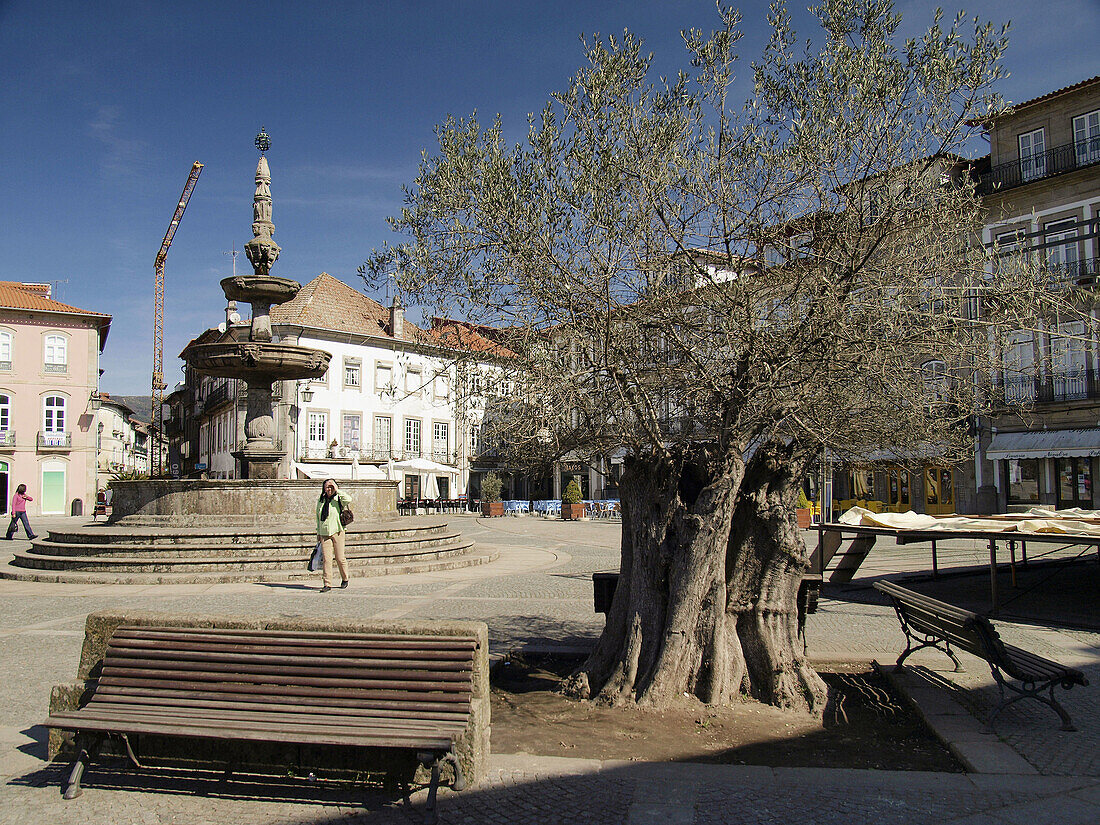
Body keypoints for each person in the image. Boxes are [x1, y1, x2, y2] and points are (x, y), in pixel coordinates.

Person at [315, 478, 351, 592]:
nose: (329, 489)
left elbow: (349, 499)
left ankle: (345, 578)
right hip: (325, 533)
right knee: (327, 559)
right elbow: (318, 517)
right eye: (327, 487)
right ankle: (327, 584)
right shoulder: (321, 500)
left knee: (340, 558)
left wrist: (337, 489)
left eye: (331, 487)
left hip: (338, 531)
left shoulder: (338, 499)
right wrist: (318, 533)